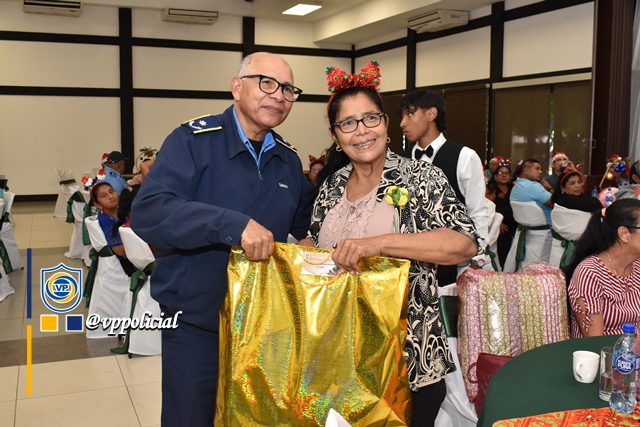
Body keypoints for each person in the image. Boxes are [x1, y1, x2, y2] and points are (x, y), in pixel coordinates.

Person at [131, 52, 312, 426]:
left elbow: (305, 228)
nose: (278, 96)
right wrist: (233, 224)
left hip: (263, 324)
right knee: (191, 416)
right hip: (196, 321)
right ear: (236, 87)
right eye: (266, 83)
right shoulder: (193, 142)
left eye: (288, 89)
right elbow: (150, 212)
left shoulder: (288, 161)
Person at [305, 61, 480, 426]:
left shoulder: (421, 177)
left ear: (385, 124)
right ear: (336, 135)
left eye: (370, 118)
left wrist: (379, 243)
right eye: (348, 123)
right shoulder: (332, 186)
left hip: (408, 357)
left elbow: (464, 244)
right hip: (340, 357)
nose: (361, 130)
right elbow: (318, 243)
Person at [398, 88, 489, 282]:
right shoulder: (400, 161)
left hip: (452, 264)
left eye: (410, 114)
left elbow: (477, 210)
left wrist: (477, 256)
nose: (402, 123)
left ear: (431, 114)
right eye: (402, 116)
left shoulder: (464, 156)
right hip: (407, 264)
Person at [565, 199, 640, 337]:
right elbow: (595, 340)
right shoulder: (589, 273)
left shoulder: (637, 265)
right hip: (605, 349)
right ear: (624, 233)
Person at [90, 181, 136, 276]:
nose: (111, 196)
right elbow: (120, 252)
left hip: (134, 255)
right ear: (97, 204)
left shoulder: (124, 211)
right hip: (125, 264)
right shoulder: (105, 221)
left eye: (111, 191)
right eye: (103, 196)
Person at [485, 159, 516, 268]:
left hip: (513, 221)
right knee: (504, 238)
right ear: (495, 176)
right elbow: (488, 208)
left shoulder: (513, 188)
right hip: (498, 223)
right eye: (500, 173)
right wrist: (498, 223)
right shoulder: (491, 189)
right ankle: (503, 267)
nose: (504, 175)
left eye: (507, 173)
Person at [511, 159, 554, 225]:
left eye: (541, 169)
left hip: (525, 228)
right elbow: (555, 204)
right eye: (537, 169)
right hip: (547, 228)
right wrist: (549, 188)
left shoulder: (515, 186)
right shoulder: (533, 186)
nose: (540, 172)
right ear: (526, 170)